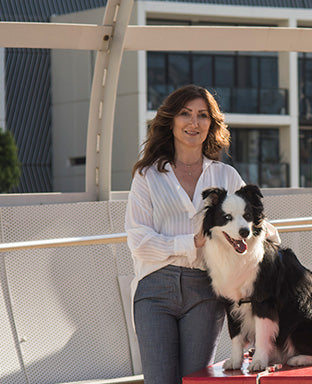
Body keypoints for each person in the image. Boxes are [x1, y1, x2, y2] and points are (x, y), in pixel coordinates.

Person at [126, 85, 243, 384]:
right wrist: (191, 243)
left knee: (195, 382)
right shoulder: (147, 176)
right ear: (171, 120)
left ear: (211, 124)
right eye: (185, 114)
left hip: (206, 287)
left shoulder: (226, 176)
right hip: (155, 288)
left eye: (202, 115)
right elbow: (139, 241)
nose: (194, 122)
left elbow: (255, 223)